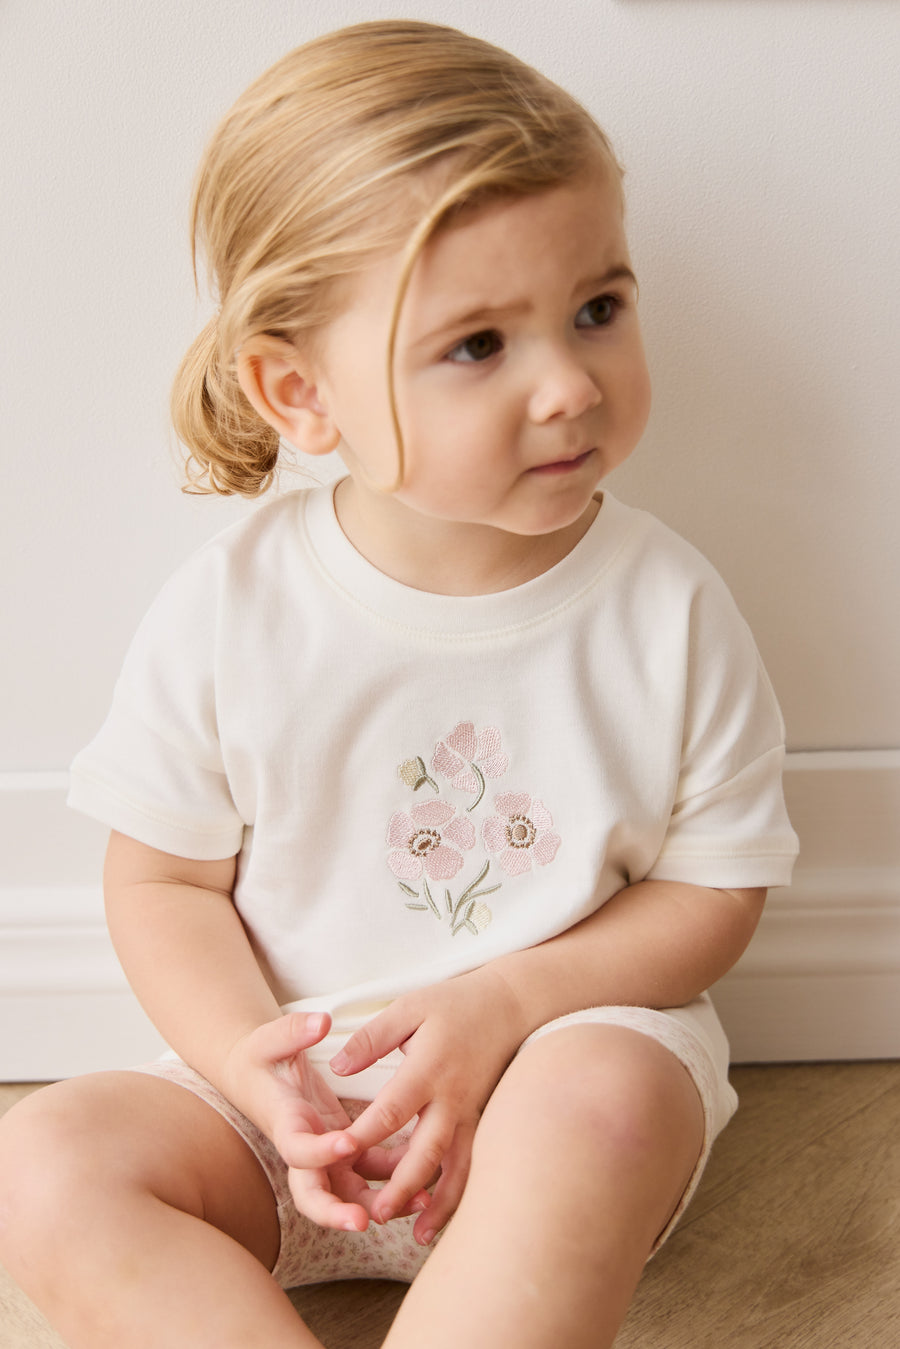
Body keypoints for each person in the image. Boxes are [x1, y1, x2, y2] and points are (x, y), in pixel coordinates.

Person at [0, 20, 798, 1349]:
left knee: (608, 1097)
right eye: (479, 344)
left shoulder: (665, 609)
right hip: (284, 1116)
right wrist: (250, 1064)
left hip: (543, 1080)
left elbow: (714, 892)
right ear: (300, 394)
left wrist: (510, 1001)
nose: (568, 386)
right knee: (42, 1162)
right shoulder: (233, 611)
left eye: (598, 309)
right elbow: (162, 883)